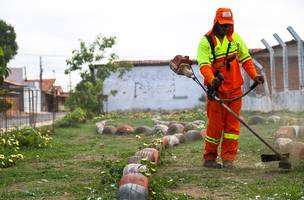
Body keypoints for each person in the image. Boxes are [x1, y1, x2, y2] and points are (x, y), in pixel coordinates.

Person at [197, 8, 264, 168]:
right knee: (215, 127)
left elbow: (246, 59)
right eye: (223, 25)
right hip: (216, 91)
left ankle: (228, 159)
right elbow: (204, 65)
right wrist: (212, 80)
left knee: (232, 127)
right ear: (216, 23)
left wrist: (255, 75)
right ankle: (210, 159)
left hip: (235, 89)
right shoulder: (206, 42)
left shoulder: (235, 38)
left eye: (229, 25)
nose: (226, 28)